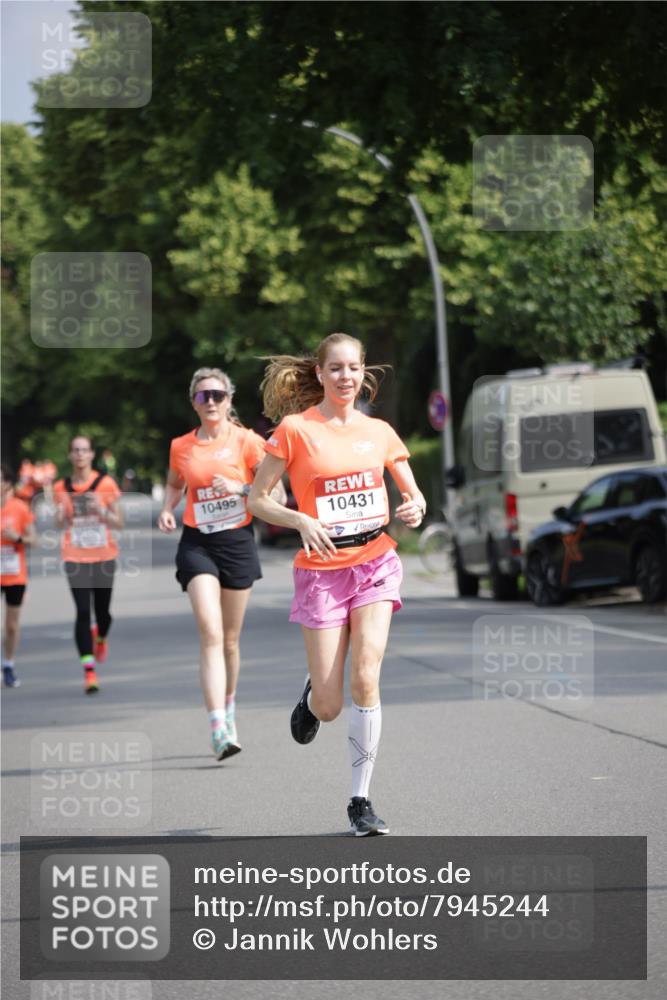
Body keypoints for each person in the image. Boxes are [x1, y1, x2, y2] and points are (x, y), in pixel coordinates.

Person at [249, 332, 426, 836]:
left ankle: (360, 800)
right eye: (336, 369)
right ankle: (311, 697)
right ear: (320, 374)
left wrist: (414, 508)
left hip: (374, 560)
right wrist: (300, 520)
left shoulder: (381, 432)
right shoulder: (294, 430)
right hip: (321, 571)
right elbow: (256, 500)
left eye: (354, 368)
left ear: (363, 371)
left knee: (366, 675)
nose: (346, 377)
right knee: (329, 705)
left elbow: (414, 496)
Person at [158, 367, 285, 761]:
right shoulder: (182, 446)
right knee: (210, 633)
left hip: (237, 543)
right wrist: (167, 509)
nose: (210, 402)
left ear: (229, 399)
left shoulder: (247, 442)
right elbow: (177, 482)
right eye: (202, 396)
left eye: (217, 395)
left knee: (230, 640)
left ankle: (228, 708)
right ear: (193, 402)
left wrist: (242, 487)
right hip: (197, 544)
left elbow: (276, 492)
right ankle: (217, 727)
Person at [53, 436, 123, 694]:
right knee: (83, 612)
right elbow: (59, 524)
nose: (80, 455)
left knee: (102, 613)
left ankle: (101, 637)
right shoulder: (61, 487)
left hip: (104, 556)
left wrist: (101, 510)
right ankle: (89, 672)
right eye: (76, 451)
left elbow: (119, 523)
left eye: (84, 450)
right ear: (70, 455)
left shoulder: (105, 483)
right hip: (75, 557)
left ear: (92, 455)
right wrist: (60, 516)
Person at [1, 464, 37, 687]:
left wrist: (17, 538)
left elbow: (34, 540)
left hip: (14, 574)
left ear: (6, 483)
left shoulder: (20, 508)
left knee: (11, 625)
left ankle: (8, 664)